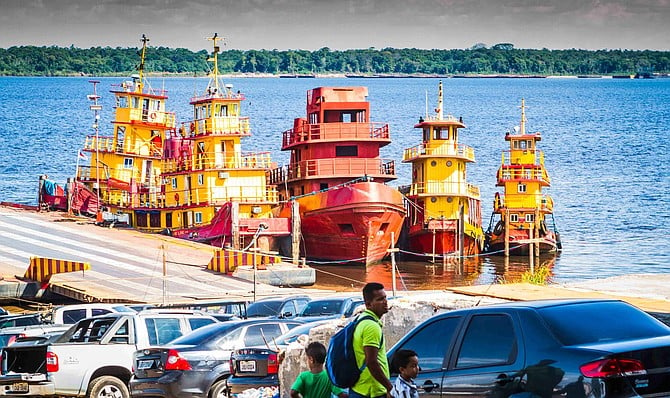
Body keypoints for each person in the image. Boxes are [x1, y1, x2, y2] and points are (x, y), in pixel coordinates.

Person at [350, 282, 393, 398]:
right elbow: (371, 362)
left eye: (385, 297)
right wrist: (389, 387)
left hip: (360, 388)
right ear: (368, 304)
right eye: (380, 299)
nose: (385, 302)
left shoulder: (361, 320)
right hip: (371, 391)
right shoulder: (371, 327)